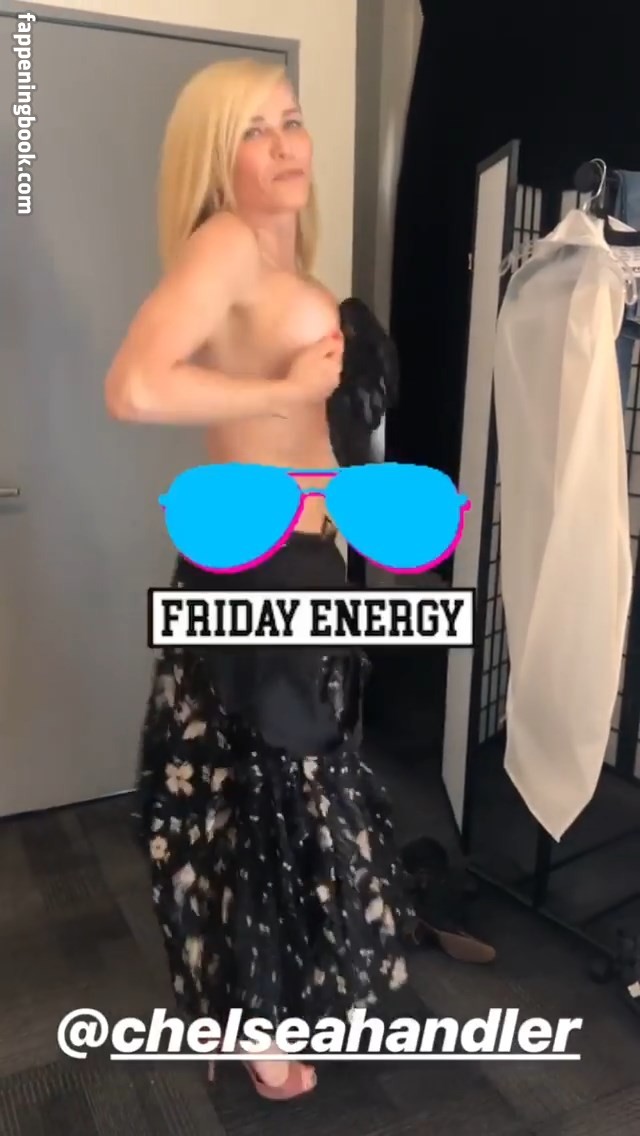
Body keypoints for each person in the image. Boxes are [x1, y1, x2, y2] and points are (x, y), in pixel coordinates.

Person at [104, 57, 409, 1102]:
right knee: (263, 796)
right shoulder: (226, 242)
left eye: (292, 121)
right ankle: (260, 1028)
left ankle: (271, 1003)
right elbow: (135, 386)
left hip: (303, 561)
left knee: (280, 786)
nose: (286, 145)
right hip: (260, 565)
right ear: (215, 158)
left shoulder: (285, 259)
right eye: (254, 131)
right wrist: (276, 387)